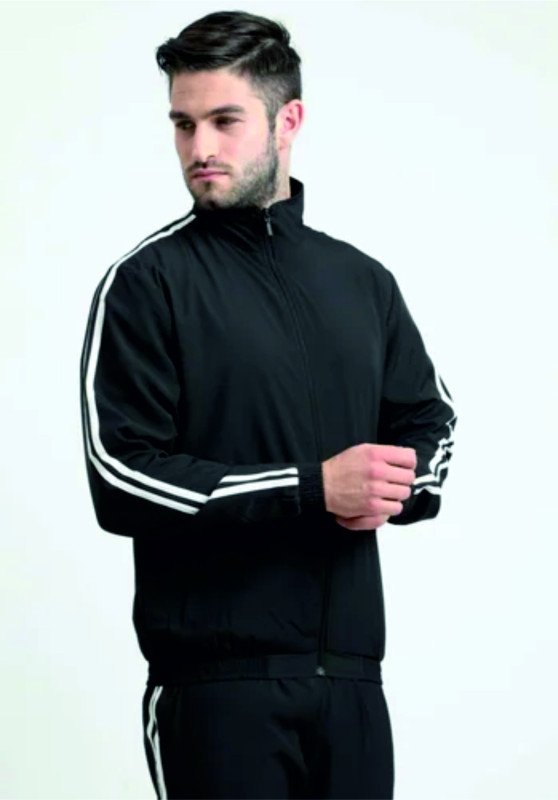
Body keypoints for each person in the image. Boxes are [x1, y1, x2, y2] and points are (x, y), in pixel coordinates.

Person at [80, 9, 457, 800]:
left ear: (288, 121)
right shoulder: (148, 284)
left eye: (225, 121)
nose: (200, 148)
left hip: (351, 683)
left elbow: (430, 421)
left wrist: (400, 485)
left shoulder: (361, 282)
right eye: (183, 124)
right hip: (217, 689)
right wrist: (313, 487)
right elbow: (122, 477)